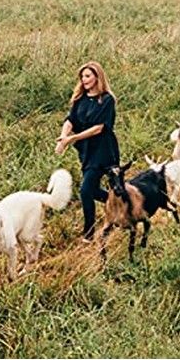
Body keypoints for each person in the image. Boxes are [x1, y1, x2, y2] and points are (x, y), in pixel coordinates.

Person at [55, 61, 120, 241]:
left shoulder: (107, 100)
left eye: (88, 76)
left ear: (97, 77)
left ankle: (89, 233)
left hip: (103, 150)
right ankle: (119, 203)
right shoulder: (80, 99)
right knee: (91, 190)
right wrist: (63, 137)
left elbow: (99, 128)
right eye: (82, 77)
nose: (84, 80)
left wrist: (72, 139)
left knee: (85, 190)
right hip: (86, 151)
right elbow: (70, 121)